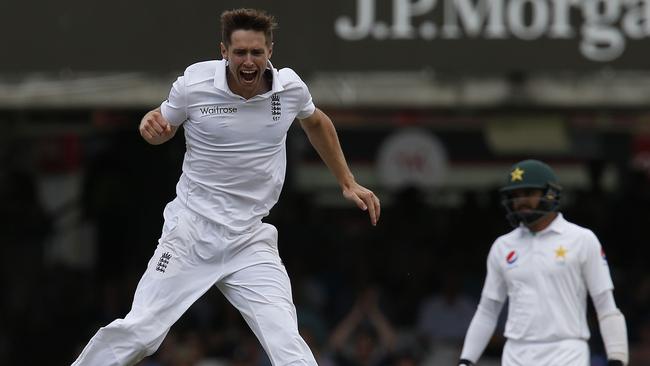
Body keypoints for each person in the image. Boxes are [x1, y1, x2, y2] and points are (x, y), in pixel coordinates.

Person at [72, 8, 380, 366]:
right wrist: (149, 127)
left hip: (250, 240)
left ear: (270, 52)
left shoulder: (290, 88)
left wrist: (347, 182)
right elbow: (162, 127)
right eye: (239, 53)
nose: (248, 62)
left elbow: (316, 122)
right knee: (142, 331)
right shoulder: (193, 84)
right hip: (190, 234)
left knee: (288, 347)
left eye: (256, 53)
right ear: (223, 52)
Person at [457, 159, 628, 366]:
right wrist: (466, 360)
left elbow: (606, 307)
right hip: (516, 353)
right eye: (515, 196)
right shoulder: (503, 246)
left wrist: (617, 358)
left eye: (528, 193)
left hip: (566, 352)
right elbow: (487, 311)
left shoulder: (582, 239)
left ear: (549, 194)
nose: (521, 201)